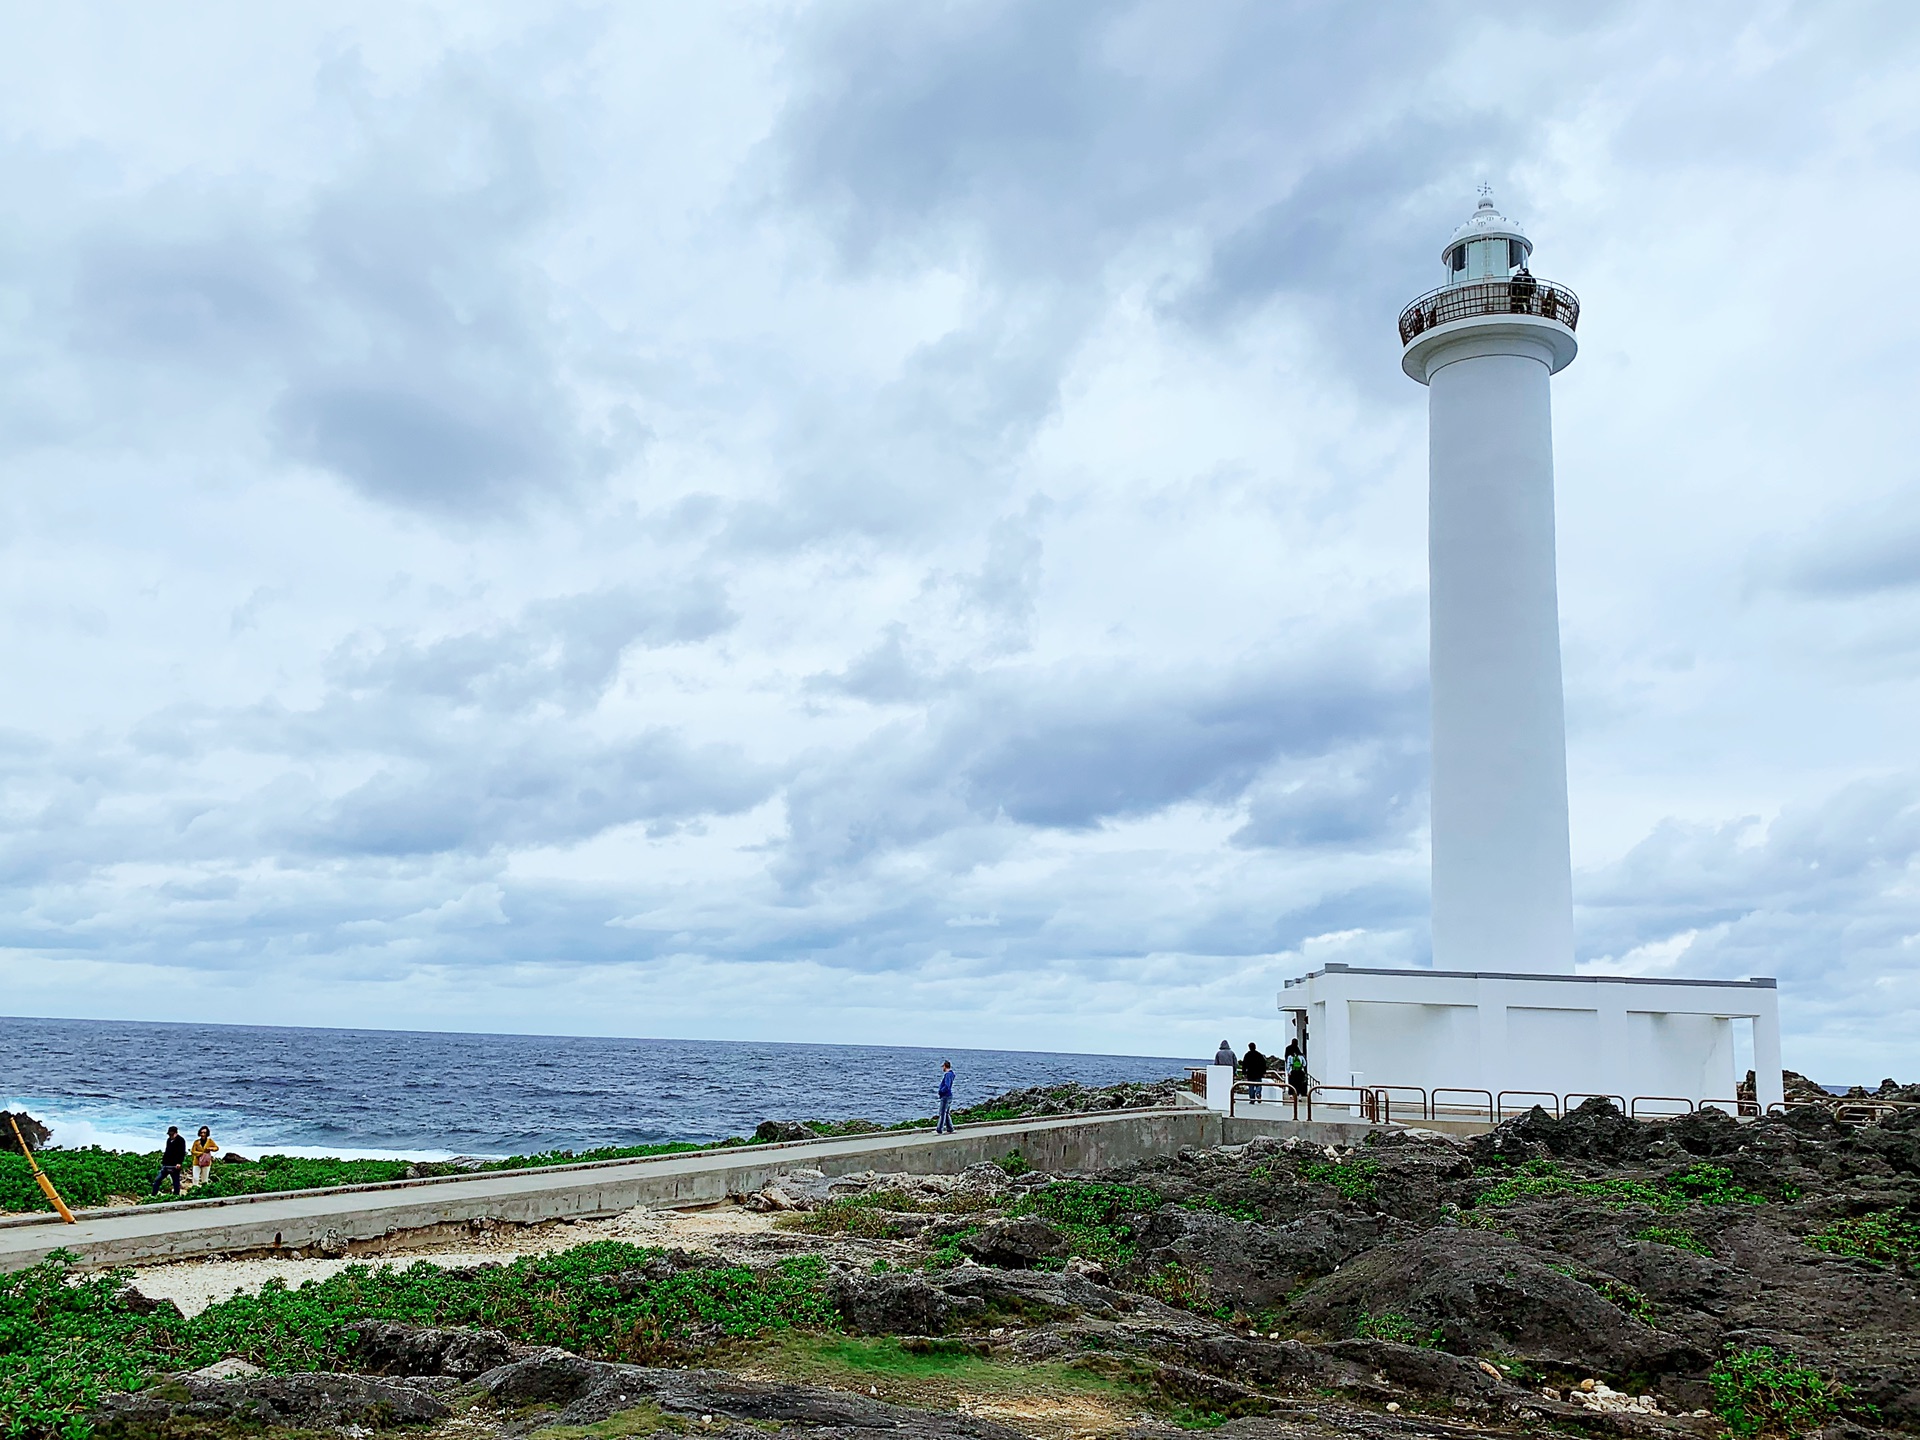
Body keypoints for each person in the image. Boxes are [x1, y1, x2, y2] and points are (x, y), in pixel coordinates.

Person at [151, 1126, 187, 1196]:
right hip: (166, 1165)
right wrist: (163, 1162)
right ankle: (153, 1195)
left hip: (175, 1165)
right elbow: (167, 1151)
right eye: (169, 1134)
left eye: (172, 1134)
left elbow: (182, 1153)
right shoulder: (168, 1140)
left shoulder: (181, 1140)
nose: (170, 1136)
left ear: (176, 1133)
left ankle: (176, 1196)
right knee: (157, 1180)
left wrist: (179, 1163)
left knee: (175, 1182)